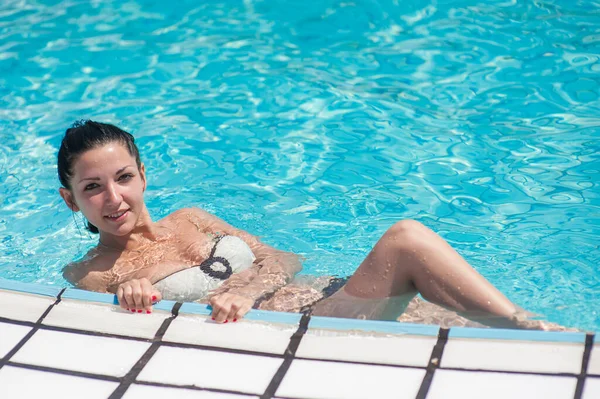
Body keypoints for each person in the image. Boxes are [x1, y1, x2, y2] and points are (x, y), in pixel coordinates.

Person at [57, 120, 563, 330]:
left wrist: (251, 291)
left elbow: (284, 258)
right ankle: (530, 329)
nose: (114, 197)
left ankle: (536, 329)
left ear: (143, 175)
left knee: (511, 340)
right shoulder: (91, 274)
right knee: (405, 239)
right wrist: (132, 294)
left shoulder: (192, 217)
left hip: (326, 295)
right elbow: (120, 326)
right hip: (306, 330)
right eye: (93, 187)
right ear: (72, 201)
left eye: (123, 177)